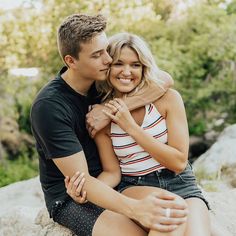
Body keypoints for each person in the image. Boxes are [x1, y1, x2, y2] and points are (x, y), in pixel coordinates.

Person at [30, 13, 188, 236]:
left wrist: (107, 111)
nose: (108, 59)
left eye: (106, 50)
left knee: (170, 219)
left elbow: (164, 79)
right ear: (71, 61)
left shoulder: (101, 81)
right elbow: (82, 181)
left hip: (115, 179)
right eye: (97, 55)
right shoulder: (50, 107)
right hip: (74, 196)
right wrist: (136, 210)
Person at [67, 32, 211, 236]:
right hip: (136, 185)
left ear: (145, 67)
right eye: (119, 63)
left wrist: (131, 127)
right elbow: (113, 172)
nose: (127, 71)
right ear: (108, 66)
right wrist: (87, 190)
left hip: (183, 184)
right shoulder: (99, 116)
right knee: (168, 215)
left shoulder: (168, 99)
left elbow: (178, 161)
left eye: (136, 65)